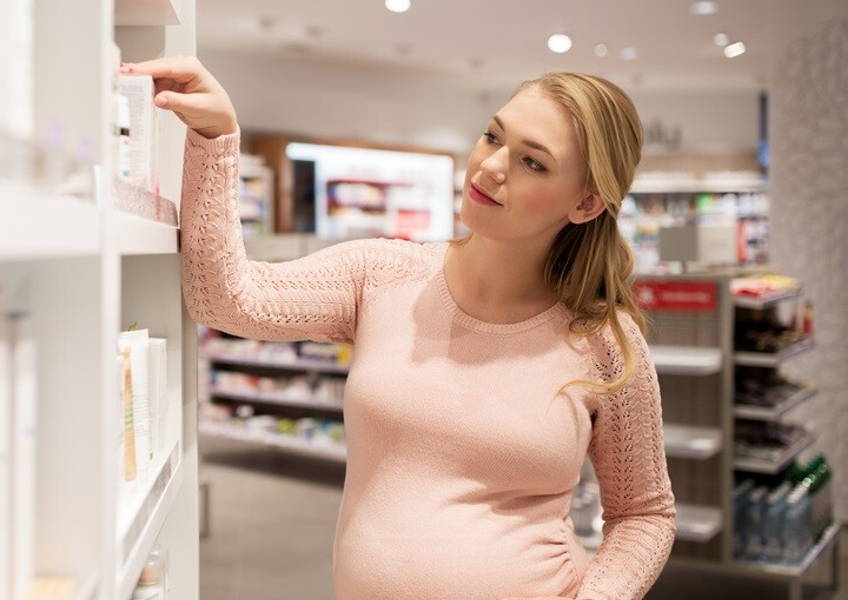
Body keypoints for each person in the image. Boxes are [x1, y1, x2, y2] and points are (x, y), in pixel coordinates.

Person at [120, 56, 676, 600]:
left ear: (584, 203)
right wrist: (217, 137)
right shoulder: (382, 275)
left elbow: (644, 514)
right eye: (492, 136)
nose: (490, 166)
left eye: (533, 162)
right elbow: (227, 301)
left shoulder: (604, 342)